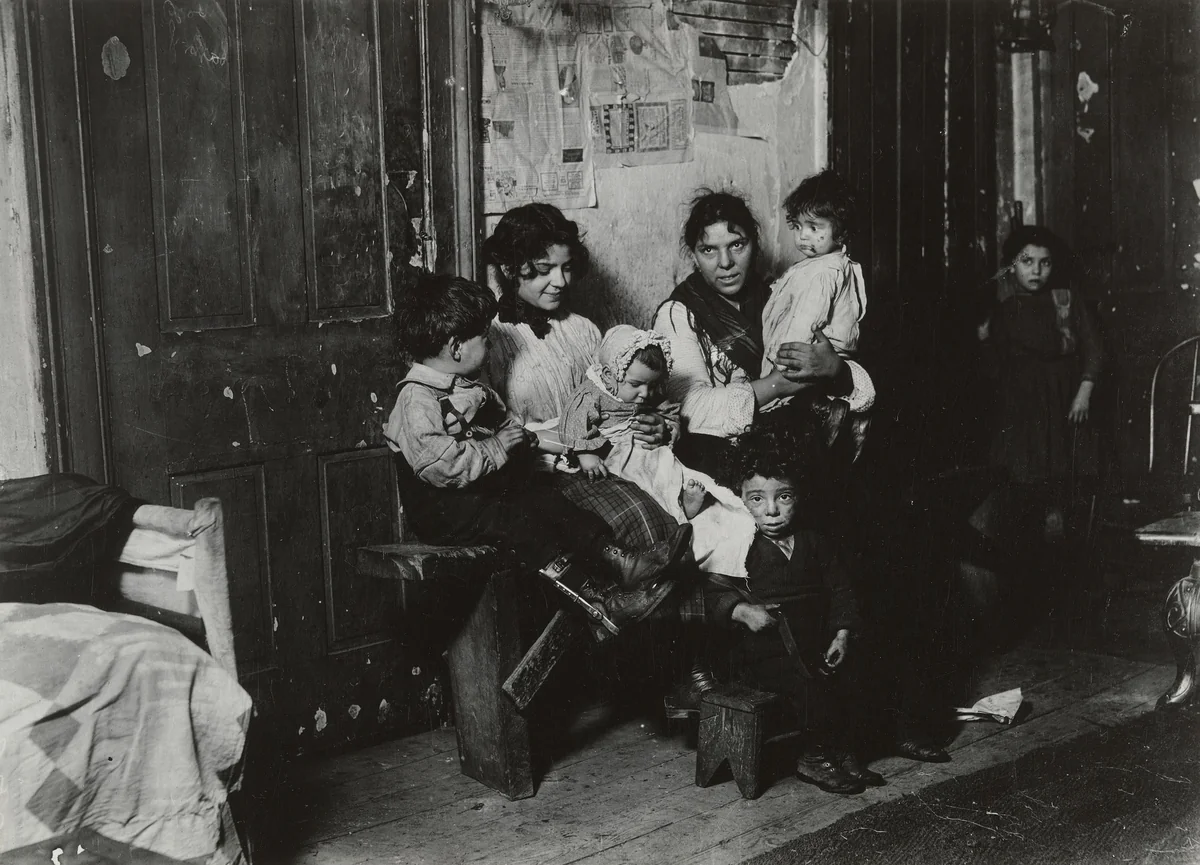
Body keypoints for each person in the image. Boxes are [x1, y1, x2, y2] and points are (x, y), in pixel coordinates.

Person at [384, 273, 691, 638]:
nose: (490, 344)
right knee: (523, 524)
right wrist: (499, 446)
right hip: (446, 509)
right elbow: (441, 465)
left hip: (479, 495)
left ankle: (620, 561)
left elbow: (510, 432)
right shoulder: (417, 398)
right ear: (455, 347)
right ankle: (602, 603)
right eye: (485, 337)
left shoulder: (470, 387)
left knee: (549, 501)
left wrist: (536, 443)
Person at [705, 416, 880, 794]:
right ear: (740, 497)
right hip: (762, 650)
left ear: (798, 494)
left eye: (783, 497)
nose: (771, 511)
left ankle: (841, 750)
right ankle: (813, 757)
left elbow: (841, 589)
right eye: (757, 499)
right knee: (808, 685)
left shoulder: (813, 540)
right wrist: (740, 610)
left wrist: (843, 632)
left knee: (855, 671)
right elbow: (712, 588)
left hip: (812, 641)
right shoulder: (739, 543)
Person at [653, 190, 876, 480]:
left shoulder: (777, 298)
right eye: (709, 250)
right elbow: (692, 410)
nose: (725, 262)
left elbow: (865, 392)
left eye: (737, 245)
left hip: (791, 459)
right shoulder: (679, 315)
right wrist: (779, 385)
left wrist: (834, 369)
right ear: (694, 256)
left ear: (755, 245)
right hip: (718, 466)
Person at [559, 325, 757, 579]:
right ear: (610, 374)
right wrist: (586, 453)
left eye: (651, 386)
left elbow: (666, 408)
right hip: (616, 454)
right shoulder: (592, 393)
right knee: (643, 483)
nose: (644, 394)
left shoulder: (645, 391)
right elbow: (572, 421)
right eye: (636, 385)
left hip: (647, 449)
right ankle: (675, 516)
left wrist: (667, 423)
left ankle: (682, 504)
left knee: (669, 471)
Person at [978, 225, 1102, 541]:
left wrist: (1084, 391)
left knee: (1063, 482)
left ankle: (1060, 534)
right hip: (1023, 410)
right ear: (1012, 266)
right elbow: (994, 370)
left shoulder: (1066, 302)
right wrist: (983, 339)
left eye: (1044, 262)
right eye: (1026, 261)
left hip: (1063, 403)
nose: (1036, 270)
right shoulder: (1005, 311)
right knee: (1023, 485)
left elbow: (1094, 349)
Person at [759, 170, 869, 452]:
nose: (802, 237)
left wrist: (780, 365)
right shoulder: (833, 264)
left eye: (814, 227)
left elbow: (807, 319)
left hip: (806, 355)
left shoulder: (823, 271)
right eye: (797, 227)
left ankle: (825, 416)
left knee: (790, 417)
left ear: (841, 229)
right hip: (826, 358)